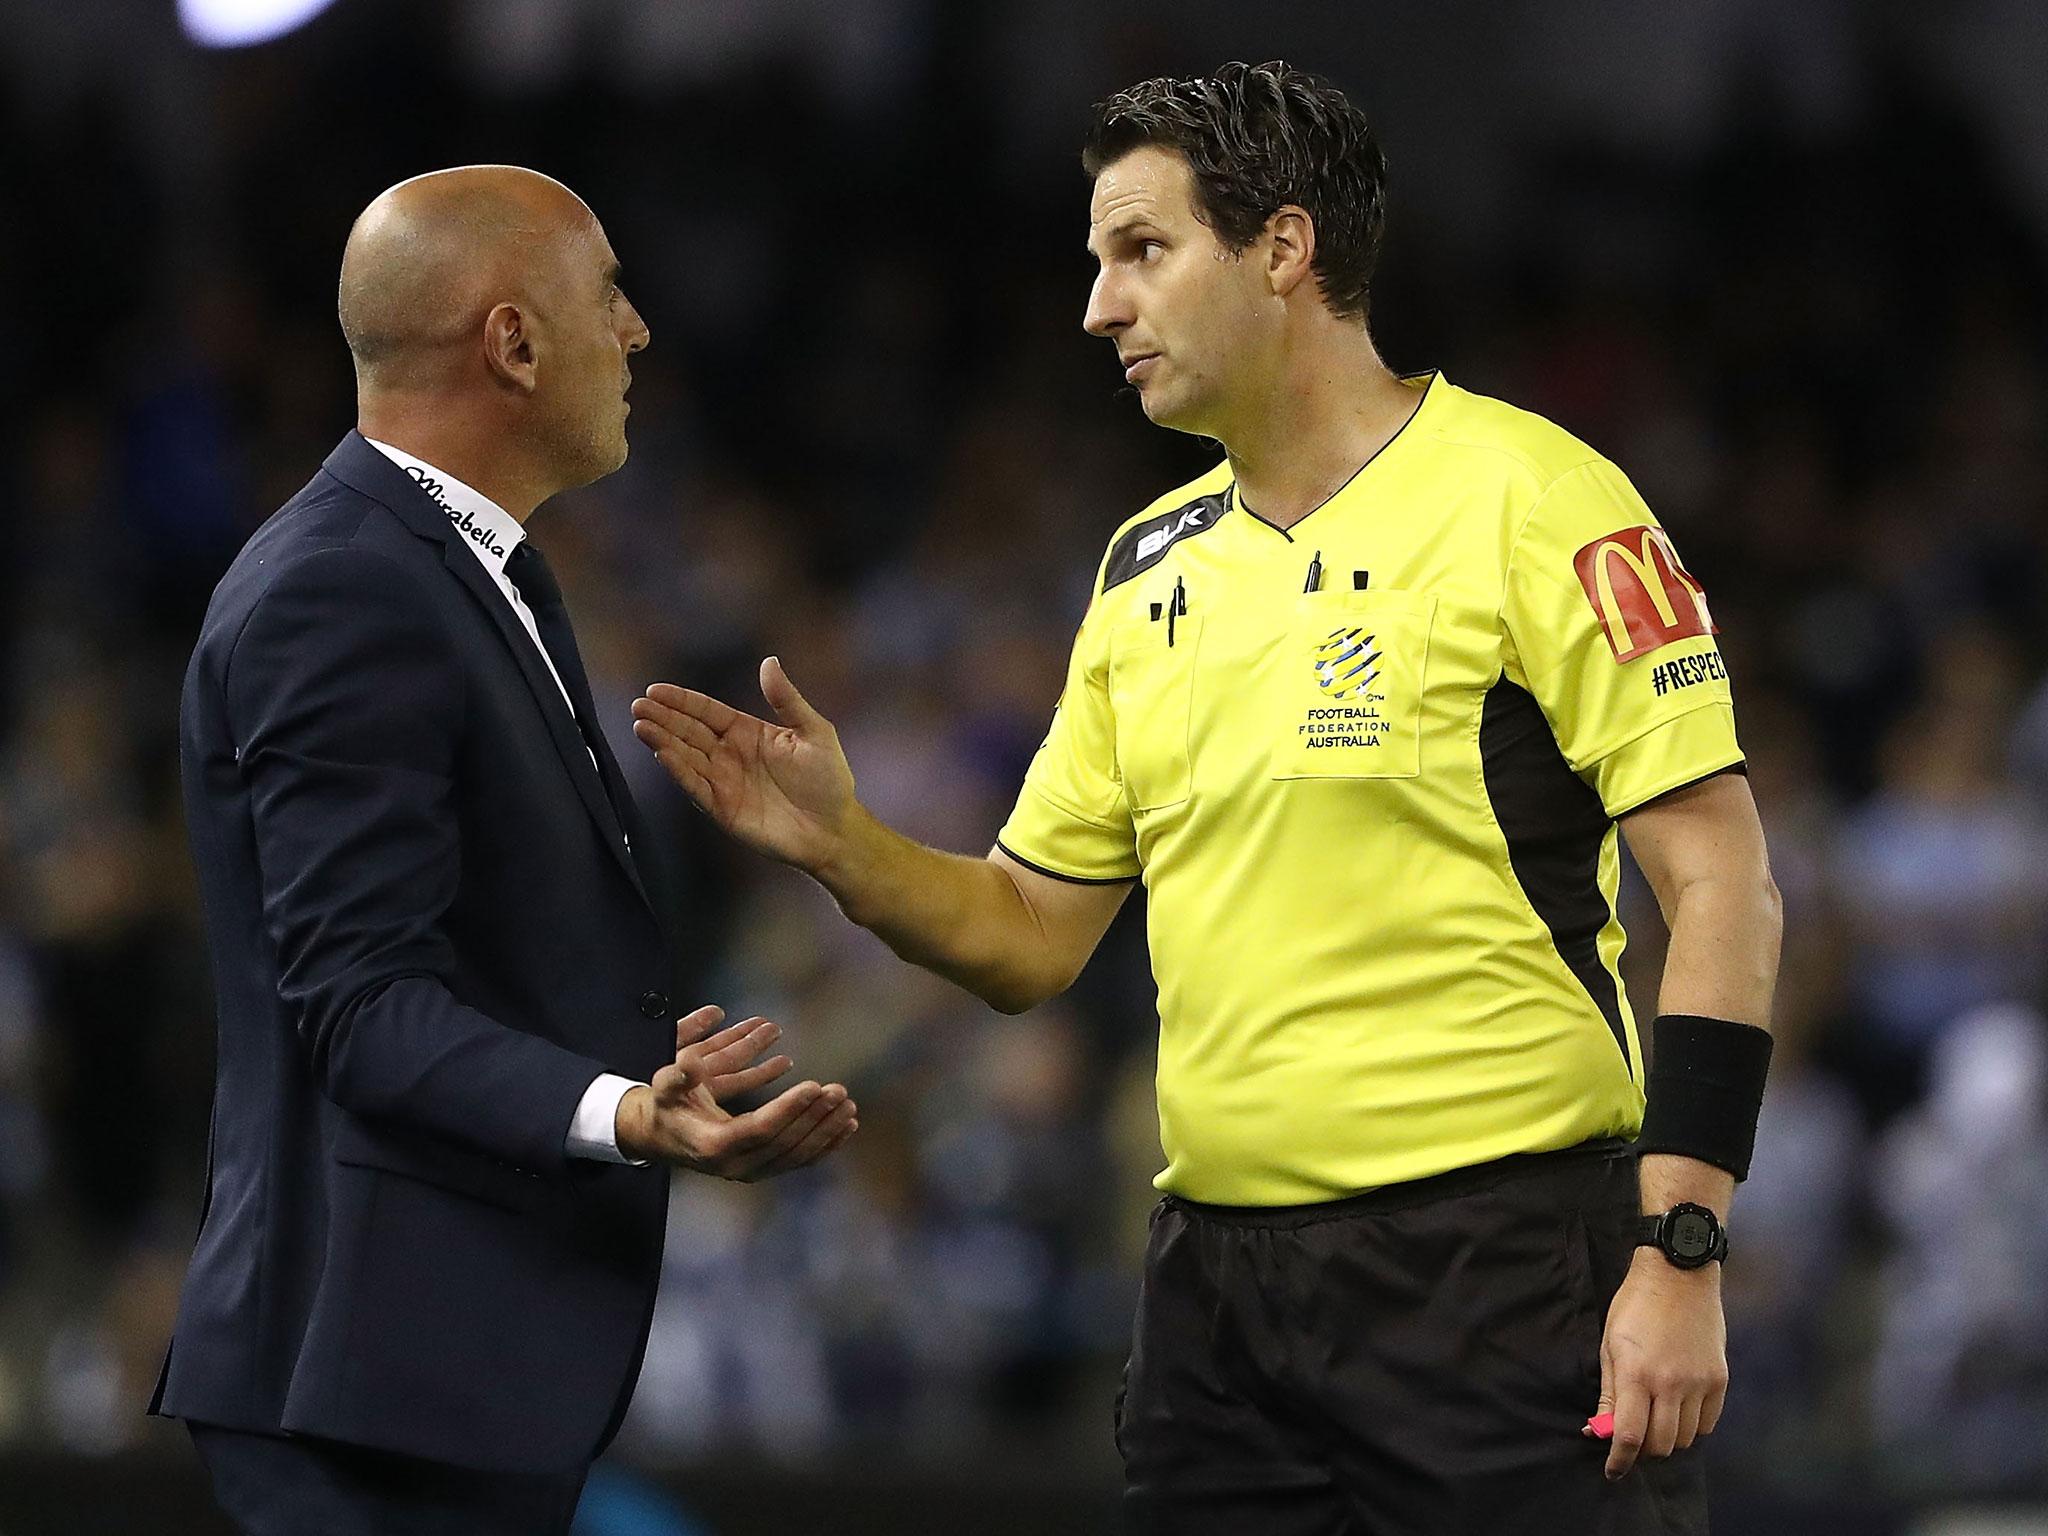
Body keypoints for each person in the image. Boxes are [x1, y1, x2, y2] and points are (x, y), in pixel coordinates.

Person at [632, 63, 1780, 1535]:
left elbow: (1726, 886)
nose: (1098, 307)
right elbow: (1032, 933)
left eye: (1142, 251)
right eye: (1098, 262)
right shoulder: (1144, 568)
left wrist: (1681, 1251)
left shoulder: (1538, 503)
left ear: (1285, 251)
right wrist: (845, 850)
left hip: (1498, 1277)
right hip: (1216, 1311)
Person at [151, 165, 858, 1536]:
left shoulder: (449, 569)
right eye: (608, 294)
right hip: (362, 1393)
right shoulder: (343, 588)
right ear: (513, 342)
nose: (640, 330)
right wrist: (622, 1110)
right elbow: (359, 1005)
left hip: (427, 1381)